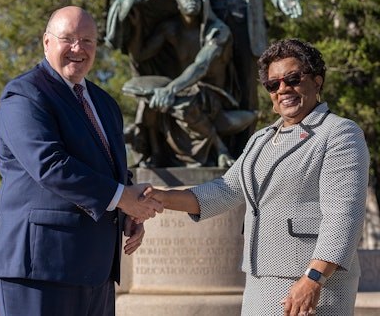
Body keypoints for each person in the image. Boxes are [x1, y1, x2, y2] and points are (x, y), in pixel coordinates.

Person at [143, 39, 370, 315]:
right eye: (274, 84)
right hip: (258, 280)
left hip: (313, 284)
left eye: (293, 79)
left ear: (317, 82)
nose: (283, 89)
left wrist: (313, 278)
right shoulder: (261, 139)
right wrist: (163, 197)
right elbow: (225, 191)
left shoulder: (339, 133)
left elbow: (344, 216)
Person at [0, 6, 163, 316]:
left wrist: (130, 211)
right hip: (38, 268)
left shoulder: (105, 103)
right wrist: (122, 199)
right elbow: (50, 165)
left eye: (88, 40)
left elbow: (109, 167)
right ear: (47, 42)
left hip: (96, 270)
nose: (78, 49)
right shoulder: (24, 95)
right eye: (68, 38)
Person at [163, 0, 303, 156]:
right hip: (213, 27)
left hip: (246, 27)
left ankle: (244, 156)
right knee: (209, 86)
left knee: (247, 94)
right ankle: (214, 151)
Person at [126, 0, 256, 168]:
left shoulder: (217, 31)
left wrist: (170, 90)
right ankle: (153, 153)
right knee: (149, 99)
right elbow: (140, 55)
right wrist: (137, 28)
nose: (193, 0)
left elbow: (201, 66)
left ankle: (220, 149)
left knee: (185, 101)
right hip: (182, 88)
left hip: (212, 93)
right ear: (177, 3)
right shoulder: (170, 28)